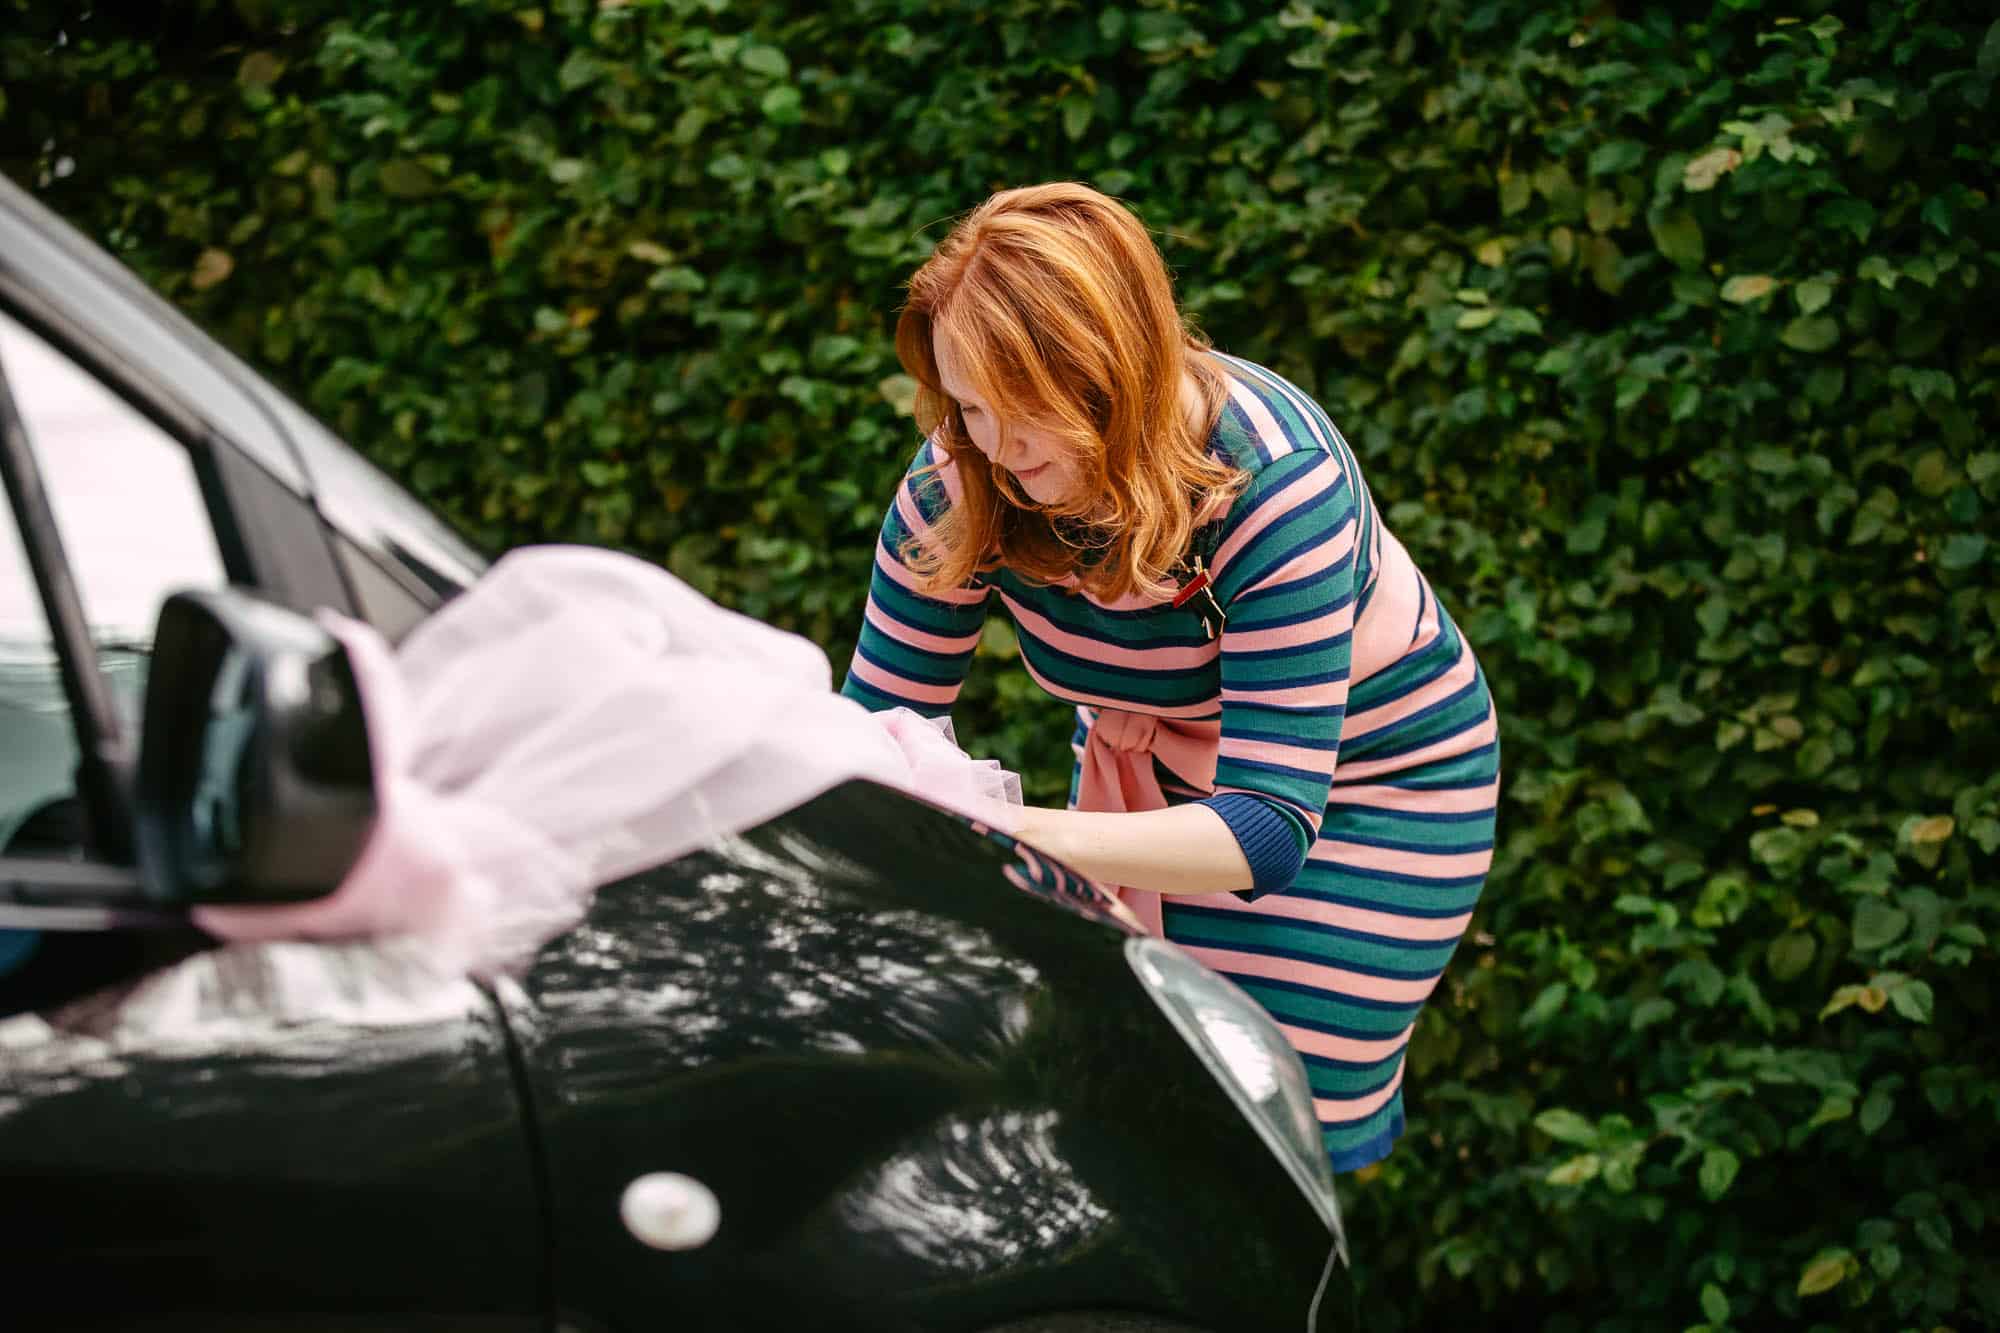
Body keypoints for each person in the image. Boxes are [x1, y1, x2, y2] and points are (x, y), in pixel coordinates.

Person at [839, 182, 1499, 1173]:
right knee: (1099, 1094)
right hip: (1152, 780)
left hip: (1366, 797)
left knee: (1234, 1129)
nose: (993, 445)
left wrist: (995, 837)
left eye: (1024, 412)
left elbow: (1269, 828)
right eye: (966, 404)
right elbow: (876, 728)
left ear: (1119, 374)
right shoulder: (961, 472)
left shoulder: (1273, 485)